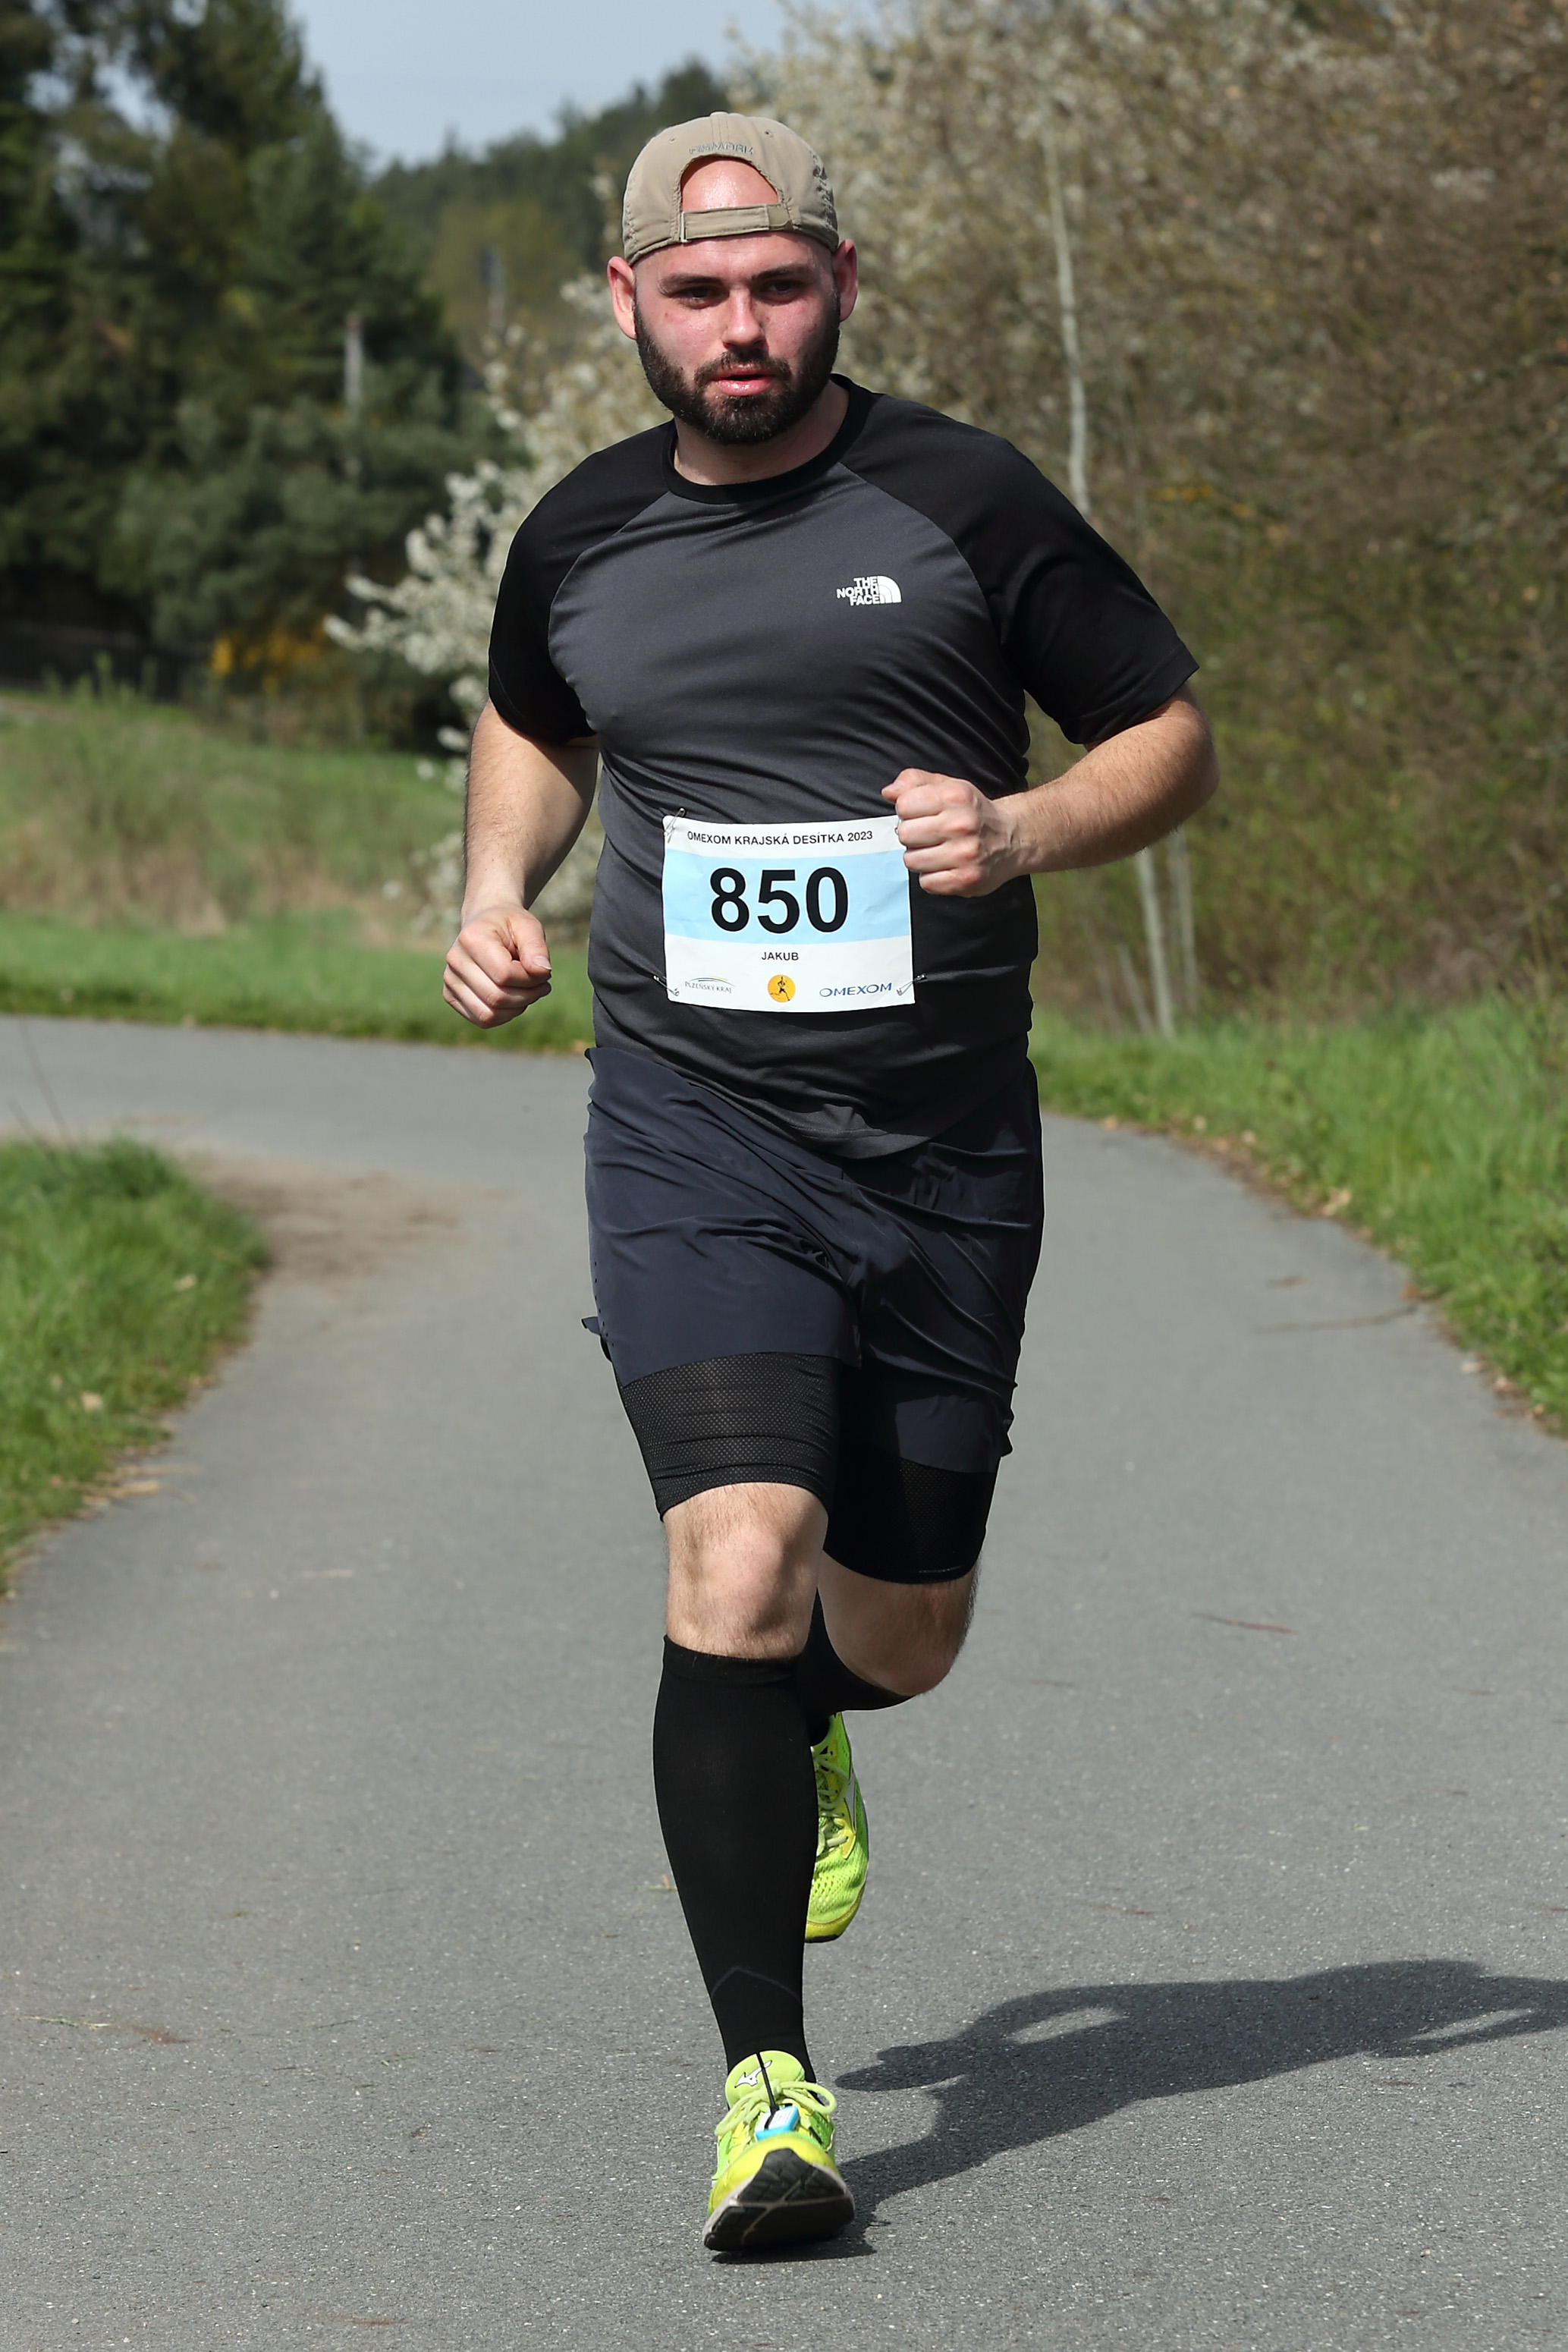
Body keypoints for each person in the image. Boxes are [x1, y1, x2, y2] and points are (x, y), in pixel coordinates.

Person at [443, 111, 1218, 2253]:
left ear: (840, 286)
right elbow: (532, 717)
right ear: (628, 301)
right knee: (734, 1555)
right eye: (696, 292)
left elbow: (1168, 735)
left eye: (777, 287)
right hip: (691, 1128)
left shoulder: (964, 498)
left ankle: (812, 1712)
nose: (740, 328)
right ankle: (768, 2091)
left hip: (944, 1145)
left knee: (903, 1627)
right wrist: (498, 885)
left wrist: (1024, 829)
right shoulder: (580, 531)